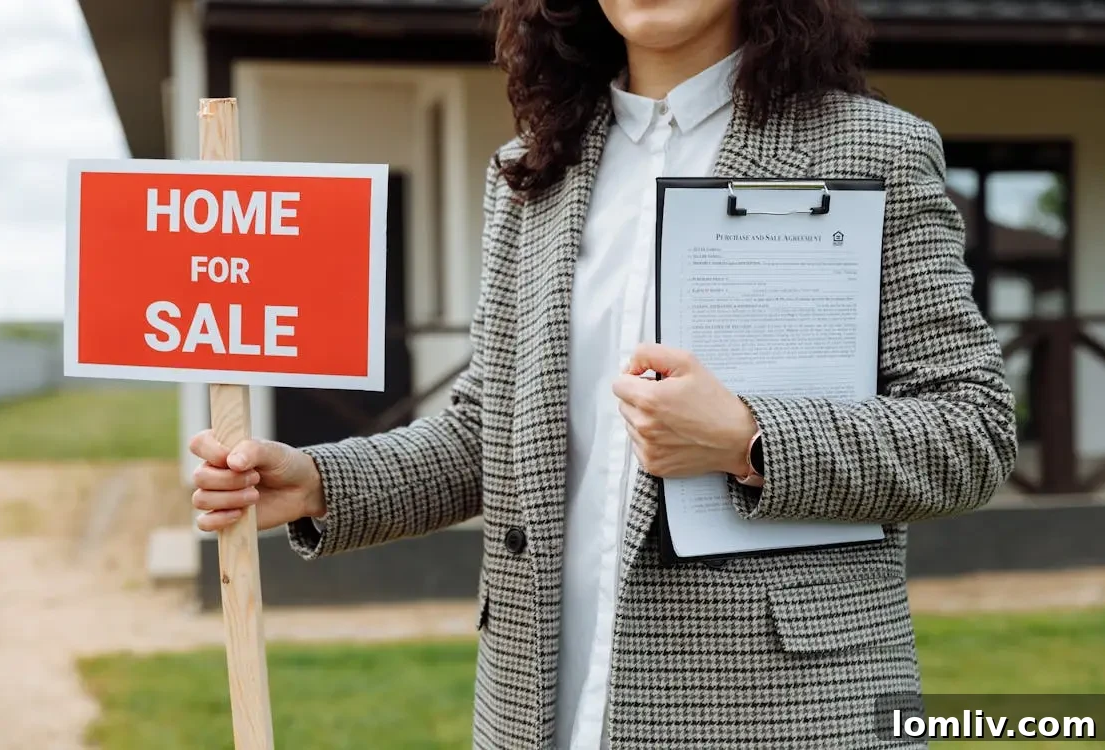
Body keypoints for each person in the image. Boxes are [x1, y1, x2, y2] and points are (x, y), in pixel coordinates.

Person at [187, 0, 1017, 747]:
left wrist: (748, 438)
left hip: (780, 706)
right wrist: (319, 480)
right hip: (537, 698)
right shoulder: (530, 171)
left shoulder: (871, 148)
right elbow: (492, 429)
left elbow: (969, 427)